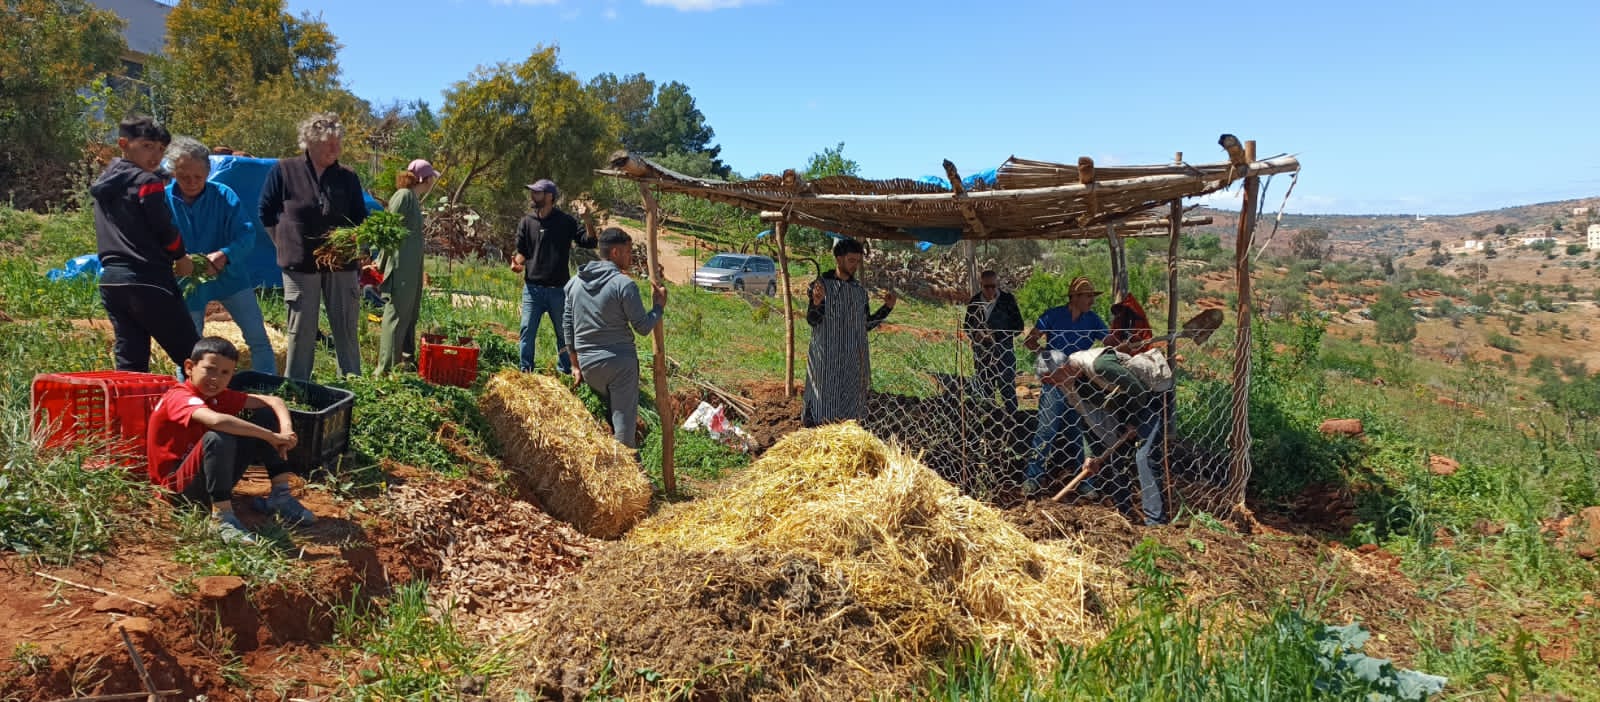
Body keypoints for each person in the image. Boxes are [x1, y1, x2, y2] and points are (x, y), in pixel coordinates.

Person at [146, 337, 314, 544]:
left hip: (208, 478)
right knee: (219, 434)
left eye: (225, 373)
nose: (216, 378)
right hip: (177, 490)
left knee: (264, 414)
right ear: (189, 367)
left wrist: (286, 431)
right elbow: (216, 420)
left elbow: (274, 401)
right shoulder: (179, 396)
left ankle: (280, 496)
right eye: (210, 369)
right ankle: (221, 518)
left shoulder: (217, 396)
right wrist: (270, 437)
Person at [259, 113, 368, 379]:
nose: (335, 148)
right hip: (300, 264)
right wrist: (283, 244)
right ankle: (298, 387)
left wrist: (357, 247)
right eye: (329, 143)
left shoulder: (347, 177)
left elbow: (360, 218)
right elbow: (266, 212)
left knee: (346, 327)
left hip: (340, 262)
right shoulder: (285, 171)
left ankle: (352, 385)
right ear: (309, 142)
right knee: (301, 330)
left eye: (338, 142)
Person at [92, 116, 201, 373]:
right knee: (195, 358)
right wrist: (181, 257)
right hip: (147, 278)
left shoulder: (105, 183)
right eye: (147, 146)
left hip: (112, 281)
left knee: (131, 361)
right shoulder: (147, 182)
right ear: (123, 144)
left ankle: (128, 401)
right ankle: (217, 399)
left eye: (161, 149)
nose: (155, 155)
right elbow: (162, 227)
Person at [163, 136, 276, 375]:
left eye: (198, 177)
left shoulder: (224, 195)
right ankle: (189, 392)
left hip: (230, 276)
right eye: (184, 177)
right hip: (187, 281)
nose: (192, 182)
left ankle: (267, 385)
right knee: (188, 347)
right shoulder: (162, 200)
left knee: (257, 337)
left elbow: (247, 234)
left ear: (208, 171)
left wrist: (225, 255)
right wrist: (176, 261)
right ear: (173, 172)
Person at [1036, 347, 1167, 525]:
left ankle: (1155, 522)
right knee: (1111, 460)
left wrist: (1133, 422)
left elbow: (1138, 391)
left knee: (1144, 457)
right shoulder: (1068, 385)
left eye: (1051, 379)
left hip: (1149, 398)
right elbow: (1086, 419)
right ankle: (1125, 516)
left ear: (1063, 368)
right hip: (1121, 410)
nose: (1053, 385)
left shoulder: (1099, 365)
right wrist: (1090, 455)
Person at [562, 228, 666, 448]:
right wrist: (658, 307)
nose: (631, 257)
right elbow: (643, 327)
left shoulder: (574, 283)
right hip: (620, 366)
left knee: (606, 418)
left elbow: (567, 326)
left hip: (589, 366)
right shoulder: (623, 284)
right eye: (628, 252)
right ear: (616, 252)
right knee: (624, 432)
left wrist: (575, 364)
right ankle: (625, 463)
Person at [1020, 275, 1108, 494]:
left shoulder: (1093, 320)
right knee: (1046, 430)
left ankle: (1085, 482)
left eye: (1092, 296)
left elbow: (1111, 342)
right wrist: (1048, 359)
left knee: (1081, 433)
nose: (1092, 301)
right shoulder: (1052, 315)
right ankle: (1032, 479)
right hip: (1056, 384)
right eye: (1088, 296)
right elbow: (1030, 340)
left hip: (1079, 384)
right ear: (1074, 297)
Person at [803, 238, 896, 427]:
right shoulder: (821, 286)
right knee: (822, 408)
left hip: (853, 362)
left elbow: (866, 325)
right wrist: (817, 303)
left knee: (851, 413)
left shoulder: (859, 292)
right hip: (826, 361)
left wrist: (887, 308)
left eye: (858, 261)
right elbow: (813, 320)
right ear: (839, 259)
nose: (855, 265)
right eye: (851, 260)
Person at [512, 179, 597, 374]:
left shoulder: (566, 222)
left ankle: (566, 370)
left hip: (559, 291)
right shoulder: (527, 221)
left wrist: (586, 219)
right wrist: (517, 263)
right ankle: (526, 371)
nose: (533, 196)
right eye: (532, 192)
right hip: (532, 289)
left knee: (563, 334)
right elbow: (523, 251)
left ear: (550, 196)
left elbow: (590, 242)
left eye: (537, 192)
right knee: (527, 331)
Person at [375, 159, 440, 374]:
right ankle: (385, 370)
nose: (433, 182)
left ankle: (403, 362)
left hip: (411, 269)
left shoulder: (413, 198)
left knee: (408, 316)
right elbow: (389, 229)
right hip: (400, 267)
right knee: (395, 317)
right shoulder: (403, 196)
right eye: (432, 178)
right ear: (425, 179)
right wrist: (380, 263)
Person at [963, 270, 1024, 413]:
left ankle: (1013, 420)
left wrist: (997, 335)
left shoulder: (1007, 300)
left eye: (993, 286)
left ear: (998, 285)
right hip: (983, 355)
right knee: (986, 390)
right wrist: (976, 335)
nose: (990, 290)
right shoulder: (975, 302)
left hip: (1004, 353)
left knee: (1007, 390)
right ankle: (989, 420)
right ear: (981, 285)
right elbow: (967, 326)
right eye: (987, 287)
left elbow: (1019, 326)